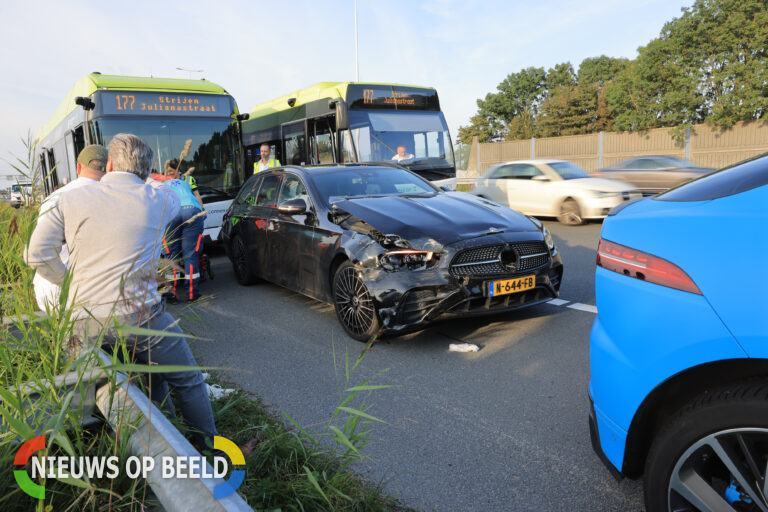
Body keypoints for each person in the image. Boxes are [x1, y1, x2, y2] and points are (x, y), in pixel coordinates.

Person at [25, 133, 218, 450]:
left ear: (110, 163)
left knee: (130, 381)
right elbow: (164, 187)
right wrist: (149, 175)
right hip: (141, 317)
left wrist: (69, 285)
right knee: (188, 379)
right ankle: (207, 449)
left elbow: (37, 255)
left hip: (83, 321)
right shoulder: (161, 199)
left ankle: (145, 436)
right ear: (146, 169)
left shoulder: (67, 200)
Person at [32, 144, 107, 310]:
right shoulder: (112, 198)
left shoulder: (55, 198)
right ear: (108, 168)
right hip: (93, 290)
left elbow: (39, 251)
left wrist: (66, 282)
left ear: (78, 167)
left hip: (52, 286)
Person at [163, 159, 205, 302]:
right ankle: (193, 294)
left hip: (172, 213)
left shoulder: (161, 183)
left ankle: (171, 295)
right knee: (190, 254)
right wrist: (202, 211)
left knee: (171, 255)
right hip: (192, 210)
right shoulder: (185, 181)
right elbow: (197, 196)